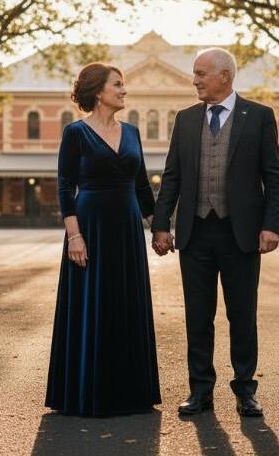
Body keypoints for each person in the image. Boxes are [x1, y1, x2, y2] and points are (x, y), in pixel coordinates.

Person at [151, 48, 279, 417]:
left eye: (200, 73)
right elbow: (172, 175)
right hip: (195, 233)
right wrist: (161, 224)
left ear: (224, 76)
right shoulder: (186, 119)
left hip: (240, 234)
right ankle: (200, 391)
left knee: (242, 315)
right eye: (195, 74)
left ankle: (246, 390)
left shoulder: (258, 117)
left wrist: (271, 225)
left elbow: (273, 177)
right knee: (198, 316)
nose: (194, 80)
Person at [45, 62, 161, 417]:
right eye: (118, 85)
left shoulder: (133, 133)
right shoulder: (75, 133)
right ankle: (85, 393)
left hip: (127, 229)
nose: (124, 91)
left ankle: (130, 393)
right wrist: (74, 236)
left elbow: (142, 185)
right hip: (90, 226)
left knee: (126, 301)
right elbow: (65, 185)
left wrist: (159, 226)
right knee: (90, 304)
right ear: (99, 91)